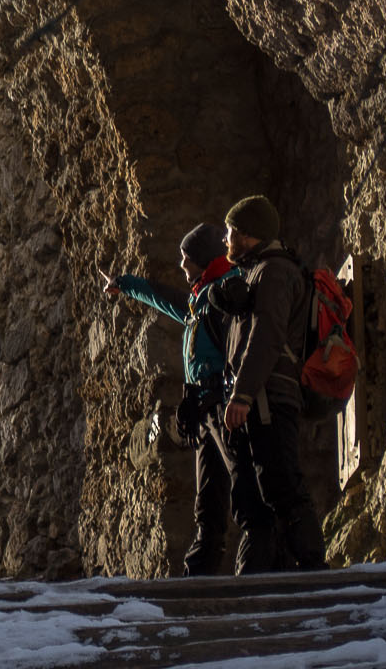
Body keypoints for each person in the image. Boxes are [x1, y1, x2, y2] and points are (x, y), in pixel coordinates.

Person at [106, 224, 274, 576]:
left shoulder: (221, 296)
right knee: (209, 499)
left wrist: (236, 396)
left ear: (201, 259)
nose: (182, 266)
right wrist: (124, 284)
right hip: (204, 410)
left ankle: (259, 567)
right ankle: (199, 573)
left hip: (224, 406)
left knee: (244, 485)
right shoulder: (200, 302)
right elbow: (163, 298)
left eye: (186, 259)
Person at [211, 194, 327, 571]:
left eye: (230, 232)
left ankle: (312, 570)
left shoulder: (274, 272)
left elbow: (266, 336)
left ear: (248, 234)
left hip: (268, 400)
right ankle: (262, 576)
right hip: (256, 400)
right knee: (253, 496)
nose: (226, 240)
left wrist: (243, 393)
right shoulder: (256, 271)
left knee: (282, 486)